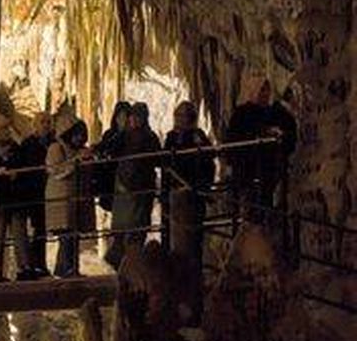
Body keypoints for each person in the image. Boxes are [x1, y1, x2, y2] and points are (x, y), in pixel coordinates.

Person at [106, 103, 161, 269]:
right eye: (133, 116)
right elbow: (110, 150)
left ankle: (131, 262)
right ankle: (120, 259)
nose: (134, 120)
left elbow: (156, 159)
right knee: (123, 228)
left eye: (138, 117)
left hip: (141, 187)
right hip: (124, 185)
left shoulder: (150, 137)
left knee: (137, 227)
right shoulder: (123, 136)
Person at [224, 74, 292, 210]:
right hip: (247, 168)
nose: (265, 94)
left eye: (267, 90)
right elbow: (234, 138)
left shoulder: (275, 112)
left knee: (268, 202)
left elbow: (289, 130)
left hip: (269, 167)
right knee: (251, 205)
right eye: (262, 90)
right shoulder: (241, 114)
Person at [162, 101, 213, 261]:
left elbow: (208, 160)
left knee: (194, 233)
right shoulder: (171, 137)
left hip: (194, 190)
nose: (179, 119)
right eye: (177, 115)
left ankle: (194, 270)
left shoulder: (198, 136)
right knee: (175, 233)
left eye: (182, 116)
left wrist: (204, 185)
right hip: (177, 190)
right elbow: (166, 161)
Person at [46, 117, 91, 278]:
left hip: (75, 198)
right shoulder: (56, 148)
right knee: (66, 236)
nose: (79, 138)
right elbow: (56, 170)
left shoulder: (79, 151)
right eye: (77, 135)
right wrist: (76, 162)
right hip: (61, 198)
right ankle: (66, 268)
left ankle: (67, 268)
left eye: (82, 135)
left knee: (73, 236)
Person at [0, 112, 26, 282]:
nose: (7, 131)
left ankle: (24, 267)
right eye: (3, 129)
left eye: (7, 128)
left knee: (19, 233)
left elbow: (23, 161)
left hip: (14, 196)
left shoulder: (16, 148)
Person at [15, 113, 55, 278]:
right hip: (33, 192)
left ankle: (40, 263)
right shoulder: (28, 144)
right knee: (36, 228)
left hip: (48, 191)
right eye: (42, 122)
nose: (45, 125)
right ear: (35, 125)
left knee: (42, 229)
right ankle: (33, 264)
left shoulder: (53, 143)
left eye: (48, 122)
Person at [93, 101, 133, 213]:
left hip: (124, 175)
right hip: (110, 175)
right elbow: (102, 147)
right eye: (120, 116)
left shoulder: (132, 136)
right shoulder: (109, 134)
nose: (123, 120)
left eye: (126, 117)